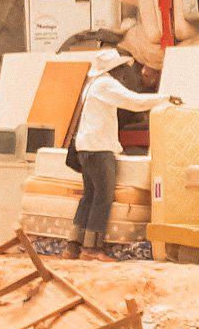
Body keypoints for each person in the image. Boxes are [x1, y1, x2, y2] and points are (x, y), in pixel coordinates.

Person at [69, 49, 178, 260]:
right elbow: (133, 101)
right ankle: (92, 249)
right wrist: (165, 98)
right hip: (99, 148)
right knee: (103, 196)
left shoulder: (92, 85)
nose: (124, 75)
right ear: (115, 69)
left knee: (89, 196)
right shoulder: (107, 85)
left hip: (85, 147)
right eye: (122, 70)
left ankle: (73, 245)